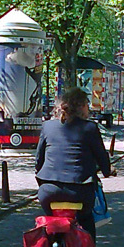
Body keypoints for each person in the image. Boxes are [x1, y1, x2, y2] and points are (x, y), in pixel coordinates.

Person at [36, 87, 115, 239]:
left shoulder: (47, 126)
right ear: (80, 107)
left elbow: (38, 162)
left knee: (52, 221)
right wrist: (108, 170)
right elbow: (102, 158)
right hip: (80, 192)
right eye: (87, 104)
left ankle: (52, 245)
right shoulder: (90, 128)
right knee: (86, 220)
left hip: (48, 192)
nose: (89, 108)